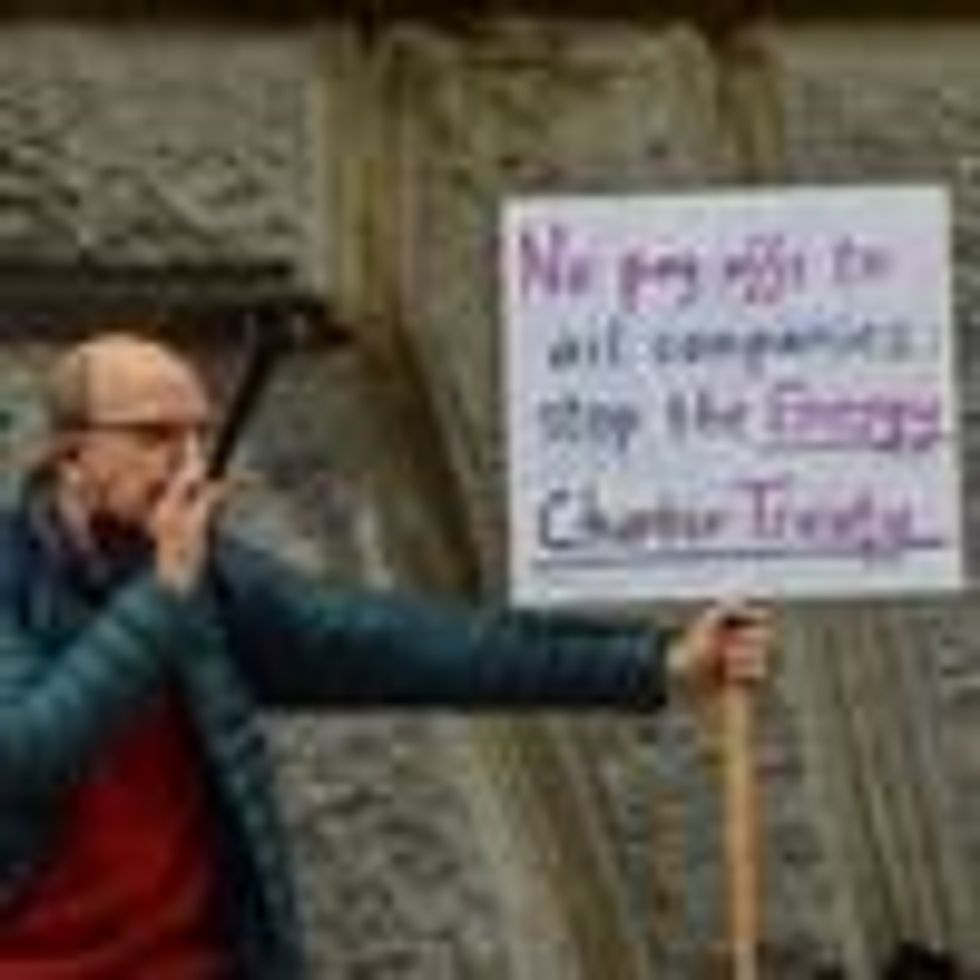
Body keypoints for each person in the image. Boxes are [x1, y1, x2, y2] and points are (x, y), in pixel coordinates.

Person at [0, 333, 772, 979]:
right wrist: (164, 595)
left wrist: (656, 661)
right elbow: (30, 751)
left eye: (200, 435)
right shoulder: (37, 575)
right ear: (72, 456)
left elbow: (400, 643)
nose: (191, 465)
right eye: (156, 436)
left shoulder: (202, 578)